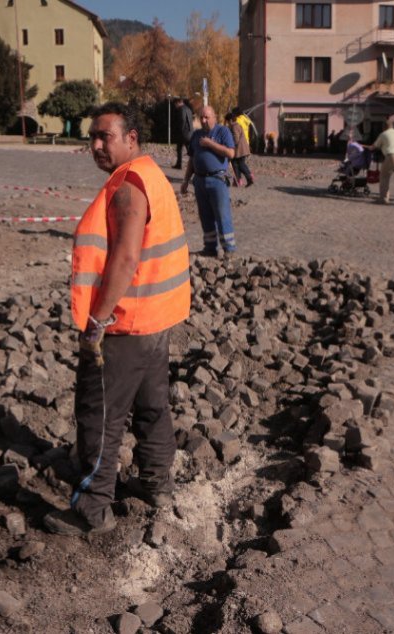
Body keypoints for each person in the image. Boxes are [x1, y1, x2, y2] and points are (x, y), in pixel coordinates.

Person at [44, 102, 191, 537]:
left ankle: (92, 510)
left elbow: (126, 258)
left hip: (125, 324)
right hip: (155, 319)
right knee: (151, 407)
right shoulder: (151, 174)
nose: (94, 145)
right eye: (91, 136)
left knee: (100, 416)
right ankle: (157, 485)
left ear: (131, 139)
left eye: (103, 136)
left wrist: (98, 321)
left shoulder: (128, 186)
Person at [181, 106, 237, 257]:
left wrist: (210, 144)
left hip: (217, 179)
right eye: (202, 118)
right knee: (205, 216)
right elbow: (192, 159)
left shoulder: (222, 131)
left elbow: (231, 153)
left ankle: (229, 250)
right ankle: (210, 248)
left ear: (214, 117)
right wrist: (186, 180)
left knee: (222, 214)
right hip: (199, 180)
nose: (204, 120)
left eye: (207, 117)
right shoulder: (196, 135)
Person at [225, 112, 254, 187]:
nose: (228, 123)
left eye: (228, 121)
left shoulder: (235, 126)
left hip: (240, 150)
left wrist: (230, 146)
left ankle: (248, 177)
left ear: (231, 120)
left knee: (240, 164)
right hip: (240, 150)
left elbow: (236, 138)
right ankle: (240, 180)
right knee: (236, 164)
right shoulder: (235, 126)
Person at [172, 97, 193, 169]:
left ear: (178, 103)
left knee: (180, 149)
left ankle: (179, 164)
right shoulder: (188, 109)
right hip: (190, 132)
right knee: (189, 150)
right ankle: (194, 164)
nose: (175, 106)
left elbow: (183, 120)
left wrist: (180, 131)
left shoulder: (181, 109)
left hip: (183, 133)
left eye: (175, 104)